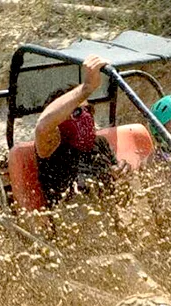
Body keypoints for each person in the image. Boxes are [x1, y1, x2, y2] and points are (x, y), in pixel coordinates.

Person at [34, 55, 129, 208]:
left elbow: (120, 197)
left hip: (106, 213)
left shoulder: (100, 143)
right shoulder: (52, 149)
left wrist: (121, 174)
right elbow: (43, 125)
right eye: (77, 112)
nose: (85, 116)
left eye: (88, 110)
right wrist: (87, 87)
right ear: (59, 120)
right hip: (72, 216)